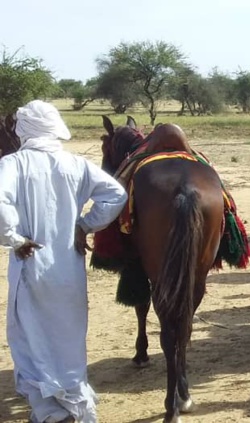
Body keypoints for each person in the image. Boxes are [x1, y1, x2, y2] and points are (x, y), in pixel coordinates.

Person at [0, 100, 128, 423]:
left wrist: (14, 239)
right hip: (69, 270)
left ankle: (50, 412)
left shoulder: (14, 165)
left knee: (31, 337)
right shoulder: (76, 164)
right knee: (69, 337)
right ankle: (77, 405)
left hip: (31, 267)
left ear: (25, 129)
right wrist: (84, 225)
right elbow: (116, 195)